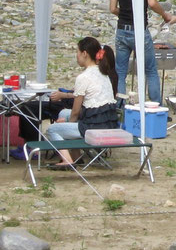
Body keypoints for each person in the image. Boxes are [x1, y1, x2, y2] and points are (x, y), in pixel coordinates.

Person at [109, 0, 173, 102]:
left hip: (122, 30)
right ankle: (155, 105)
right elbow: (152, 2)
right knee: (150, 70)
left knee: (121, 72)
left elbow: (112, 8)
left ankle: (121, 106)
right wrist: (164, 14)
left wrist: (124, 14)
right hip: (139, 30)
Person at [43, 38, 120, 167]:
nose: (77, 56)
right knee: (63, 114)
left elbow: (75, 111)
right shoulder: (104, 73)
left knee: (51, 130)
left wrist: (68, 124)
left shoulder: (83, 77)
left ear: (84, 53)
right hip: (109, 122)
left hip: (94, 127)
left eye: (77, 52)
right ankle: (76, 157)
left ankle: (67, 161)